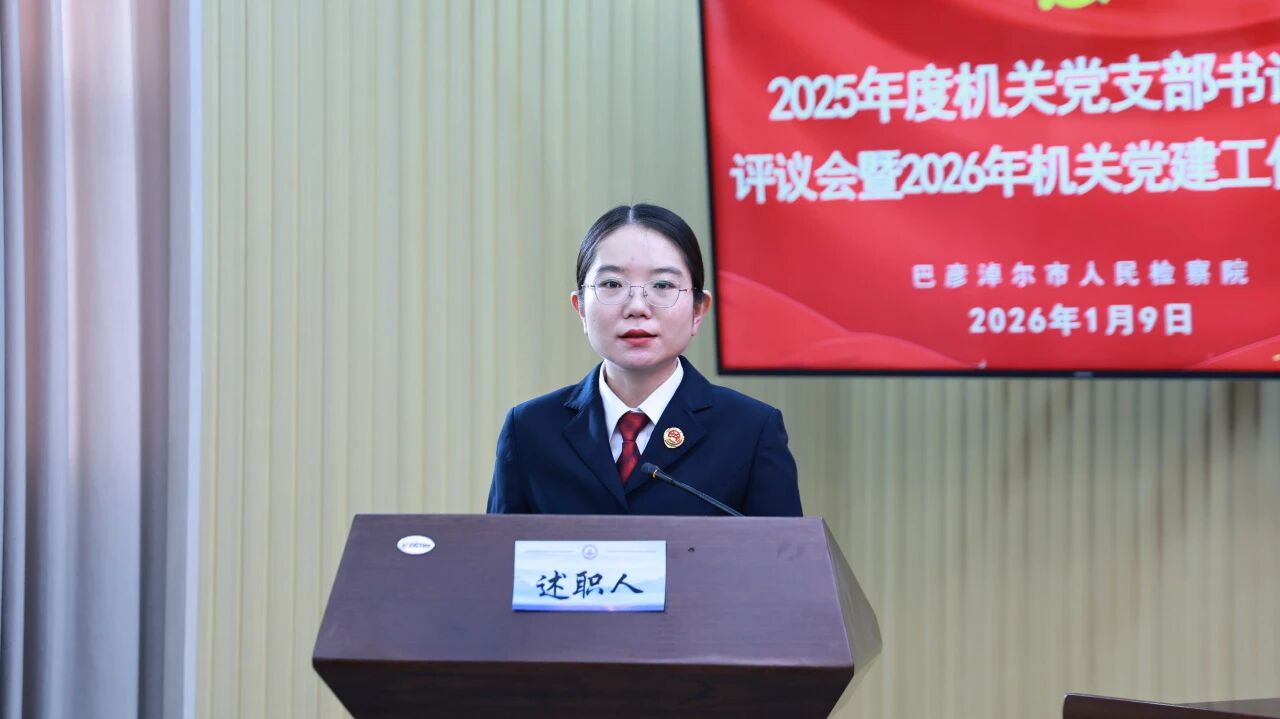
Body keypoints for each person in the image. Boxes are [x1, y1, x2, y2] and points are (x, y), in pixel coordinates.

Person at [486, 203, 802, 516]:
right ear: (581, 308)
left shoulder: (750, 431)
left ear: (698, 310)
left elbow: (785, 549)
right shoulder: (530, 430)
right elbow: (497, 548)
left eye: (663, 285)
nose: (637, 307)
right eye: (612, 284)